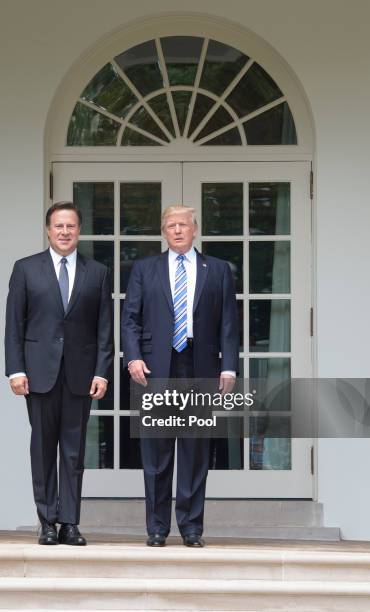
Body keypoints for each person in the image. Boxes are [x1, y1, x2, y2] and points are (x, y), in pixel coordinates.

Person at [121, 204, 239, 547]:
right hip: (155, 368)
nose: (177, 230)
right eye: (171, 225)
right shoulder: (145, 268)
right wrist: (133, 359)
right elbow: (130, 319)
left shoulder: (217, 270)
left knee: (194, 451)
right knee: (156, 453)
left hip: (198, 365)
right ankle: (157, 527)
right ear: (163, 231)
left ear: (194, 229)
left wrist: (228, 365)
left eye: (183, 225)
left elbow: (229, 323)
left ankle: (191, 528)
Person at [5, 201, 113, 546]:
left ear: (79, 231)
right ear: (48, 230)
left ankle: (70, 522)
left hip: (81, 376)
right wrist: (15, 370)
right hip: (38, 374)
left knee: (73, 452)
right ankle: (47, 520)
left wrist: (102, 371)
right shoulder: (25, 269)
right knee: (42, 449)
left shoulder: (97, 272)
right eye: (58, 226)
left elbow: (104, 329)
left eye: (71, 226)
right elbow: (13, 326)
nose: (65, 232)